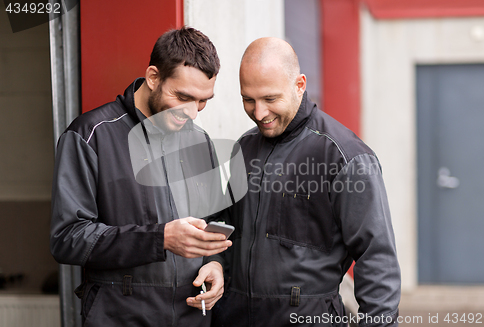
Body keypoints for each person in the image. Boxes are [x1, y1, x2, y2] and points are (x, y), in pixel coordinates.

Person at [50, 26, 233, 326]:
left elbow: (218, 222)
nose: (193, 113)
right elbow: (67, 238)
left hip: (191, 318)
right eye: (183, 97)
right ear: (153, 77)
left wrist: (215, 264)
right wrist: (159, 238)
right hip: (120, 317)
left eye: (203, 101)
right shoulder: (89, 136)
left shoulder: (200, 141)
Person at [211, 37, 401, 326]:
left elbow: (377, 261)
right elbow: (223, 227)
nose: (259, 113)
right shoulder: (245, 147)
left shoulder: (345, 157)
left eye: (270, 99)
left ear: (299, 85)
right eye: (248, 100)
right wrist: (211, 262)